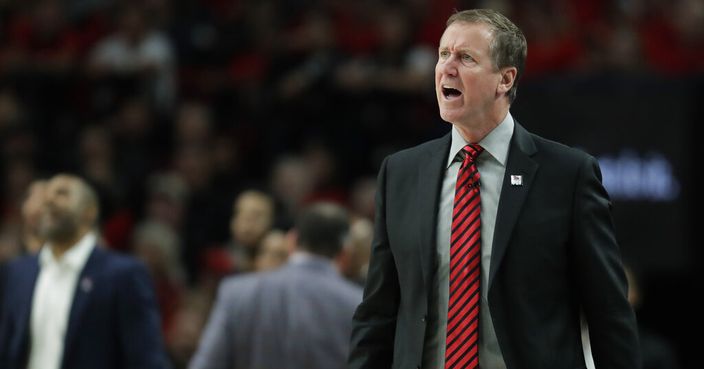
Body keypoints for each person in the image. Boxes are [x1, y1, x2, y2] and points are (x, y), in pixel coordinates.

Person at [348, 9, 640, 369]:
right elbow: (378, 311)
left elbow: (609, 312)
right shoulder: (401, 172)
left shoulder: (568, 174)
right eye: (443, 54)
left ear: (505, 79)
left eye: (466, 58)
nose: (446, 68)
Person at [0, 174, 169, 369]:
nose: (49, 200)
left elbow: (146, 358)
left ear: (90, 212)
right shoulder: (18, 272)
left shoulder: (123, 274)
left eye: (62, 193)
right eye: (46, 195)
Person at [189, 202, 362, 369]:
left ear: (291, 241)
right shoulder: (356, 303)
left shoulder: (236, 292)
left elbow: (206, 364)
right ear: (345, 253)